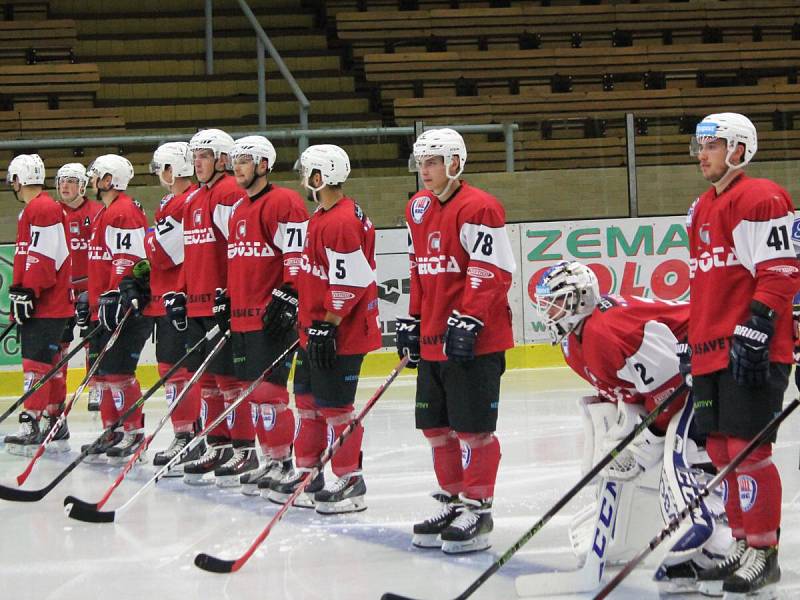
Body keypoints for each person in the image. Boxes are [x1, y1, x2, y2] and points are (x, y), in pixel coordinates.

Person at [532, 260, 733, 594]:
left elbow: (672, 390)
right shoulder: (575, 342)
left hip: (712, 361)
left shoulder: (608, 332)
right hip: (686, 374)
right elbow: (626, 389)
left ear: (580, 299)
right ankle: (647, 540)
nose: (549, 311)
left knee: (682, 457)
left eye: (556, 301)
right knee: (655, 451)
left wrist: (647, 443)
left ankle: (718, 547)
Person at [682, 112, 800, 597]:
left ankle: (764, 551)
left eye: (711, 145)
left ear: (738, 149)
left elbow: (781, 270)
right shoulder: (700, 208)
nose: (702, 154)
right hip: (710, 350)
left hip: (750, 348)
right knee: (718, 450)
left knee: (749, 452)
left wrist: (757, 326)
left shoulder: (761, 196)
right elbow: (704, 282)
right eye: (700, 145)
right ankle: (740, 541)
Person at [396, 128, 515, 554]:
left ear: (455, 163)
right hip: (432, 337)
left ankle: (478, 508)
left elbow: (491, 271)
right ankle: (452, 499)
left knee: (473, 430)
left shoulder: (480, 207)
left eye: (433, 162)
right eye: (421, 162)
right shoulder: (418, 207)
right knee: (435, 426)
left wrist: (469, 318)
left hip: (474, 340)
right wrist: (413, 317)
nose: (425, 171)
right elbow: (417, 268)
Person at [267, 144, 380, 514]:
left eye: (308, 172)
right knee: (308, 403)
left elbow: (351, 281)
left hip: (341, 332)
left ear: (321, 177)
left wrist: (329, 325)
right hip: (315, 328)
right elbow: (316, 272)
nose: (303, 179)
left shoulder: (342, 220)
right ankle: (309, 472)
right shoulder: (323, 215)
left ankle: (350, 479)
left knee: (336, 408)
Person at [213, 135, 308, 493]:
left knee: (269, 393)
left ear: (264, 165)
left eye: (246, 160)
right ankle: (269, 458)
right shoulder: (239, 209)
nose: (238, 167)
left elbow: (296, 254)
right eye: (235, 160)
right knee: (253, 394)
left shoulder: (284, 202)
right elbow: (238, 262)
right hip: (242, 317)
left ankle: (283, 461)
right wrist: (227, 297)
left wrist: (291, 290)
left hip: (270, 317)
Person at [165, 128, 241, 485]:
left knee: (227, 380)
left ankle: (240, 448)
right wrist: (180, 292)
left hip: (218, 304)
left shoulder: (227, 193)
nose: (197, 162)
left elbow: (237, 250)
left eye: (205, 155)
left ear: (223, 159)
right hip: (196, 304)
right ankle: (217, 442)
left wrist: (229, 295)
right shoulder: (194, 198)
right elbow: (189, 256)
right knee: (208, 381)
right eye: (195, 156)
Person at [82, 154, 152, 464]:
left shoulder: (123, 212)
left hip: (122, 308)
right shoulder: (104, 213)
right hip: (104, 308)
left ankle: (133, 432)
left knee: (119, 372)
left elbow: (129, 259)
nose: (92, 180)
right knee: (106, 373)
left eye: (97, 175)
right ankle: (112, 429)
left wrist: (117, 296)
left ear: (110, 179)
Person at [3, 154, 72, 456]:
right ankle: (55, 419)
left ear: (18, 179)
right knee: (51, 364)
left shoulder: (42, 208)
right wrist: (22, 289)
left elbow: (44, 257)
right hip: (50, 301)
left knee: (36, 364)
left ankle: (31, 420)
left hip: (47, 303)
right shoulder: (36, 209)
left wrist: (27, 291)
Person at [145, 142, 205, 475]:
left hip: (180, 299)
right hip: (168, 299)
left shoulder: (184, 203)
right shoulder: (175, 202)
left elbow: (160, 252)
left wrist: (150, 236)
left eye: (162, 168)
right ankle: (186, 432)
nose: (159, 175)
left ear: (172, 169)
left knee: (179, 372)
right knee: (172, 371)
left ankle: (188, 434)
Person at [55, 163, 102, 414]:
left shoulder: (97, 212)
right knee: (59, 342)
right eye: (62, 180)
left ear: (82, 185)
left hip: (90, 287)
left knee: (92, 340)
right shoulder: (51, 213)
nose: (65, 185)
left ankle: (94, 384)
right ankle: (56, 387)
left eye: (71, 180)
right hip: (62, 291)